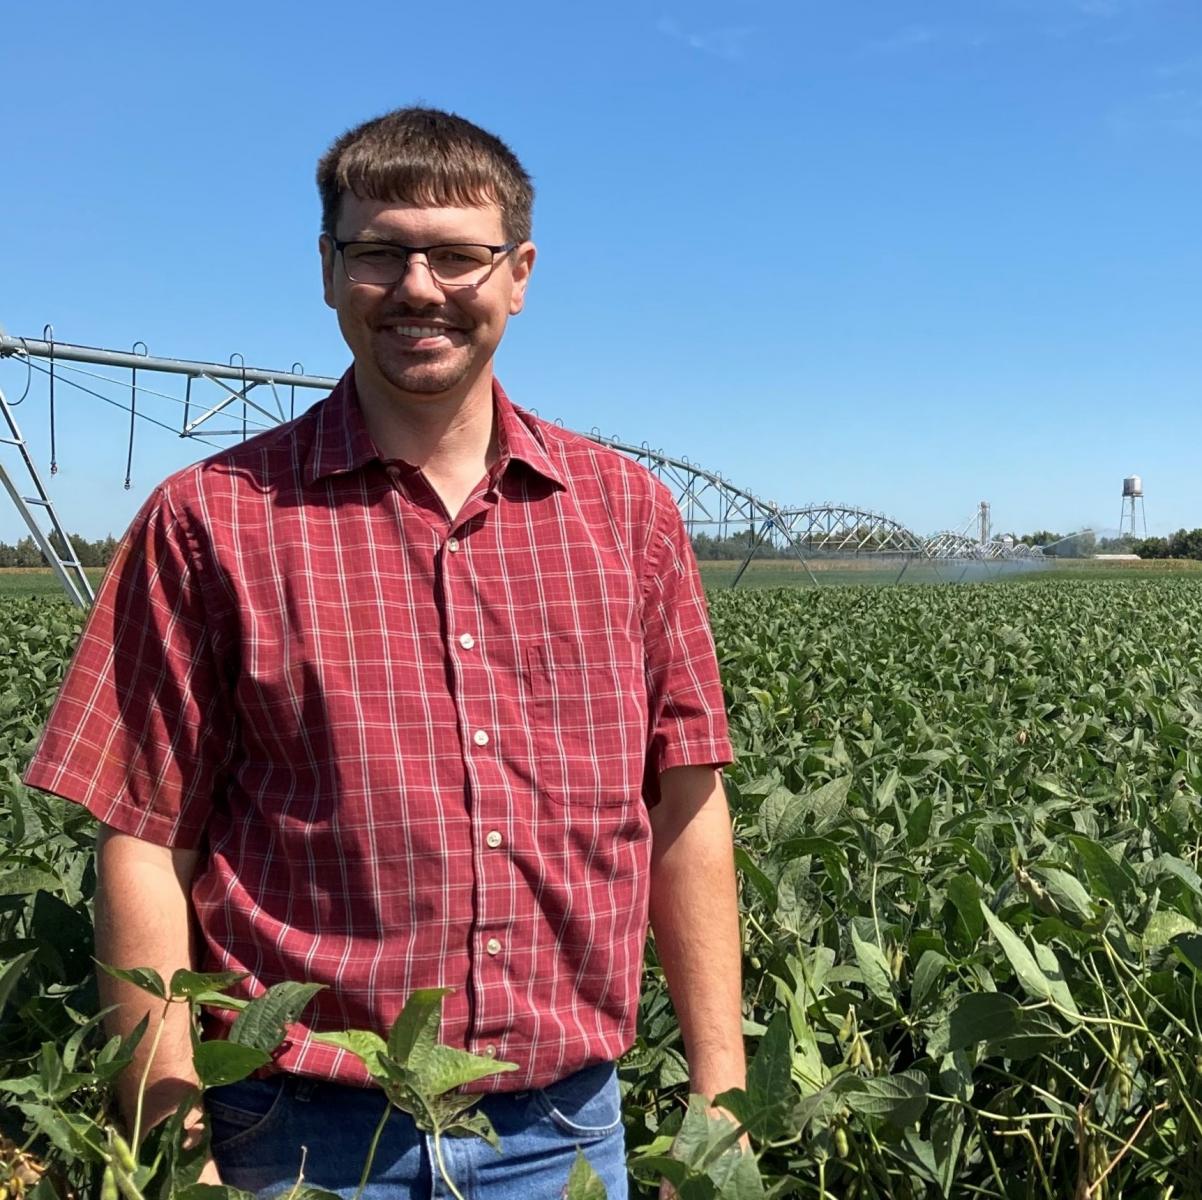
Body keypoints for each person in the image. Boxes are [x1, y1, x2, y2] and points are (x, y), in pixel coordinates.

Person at [24, 107, 744, 1199]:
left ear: (518, 275)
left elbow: (684, 811)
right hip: (293, 1136)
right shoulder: (208, 520)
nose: (419, 287)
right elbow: (142, 840)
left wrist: (719, 1097)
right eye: (379, 252)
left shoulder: (627, 516)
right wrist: (173, 1151)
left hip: (556, 1128)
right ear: (328, 269)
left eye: (458, 256)